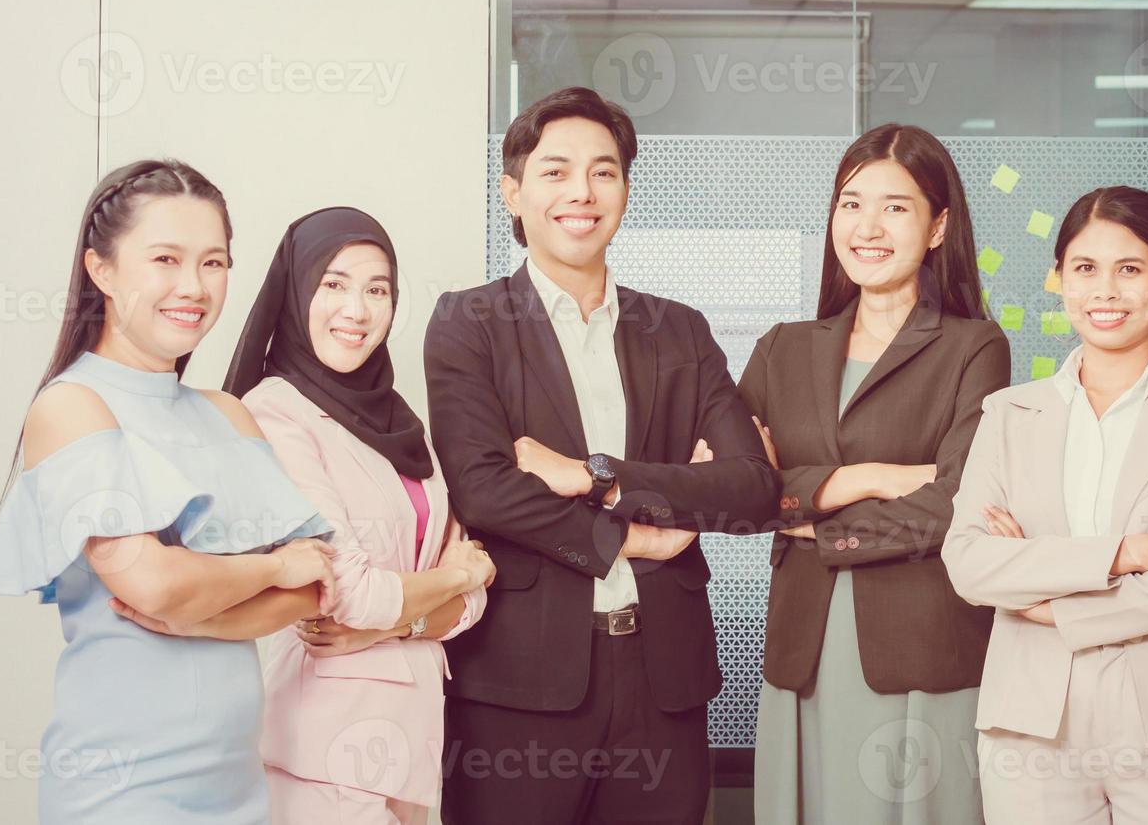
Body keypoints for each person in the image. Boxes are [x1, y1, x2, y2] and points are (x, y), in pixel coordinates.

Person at [423, 86, 782, 824]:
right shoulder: (470, 322)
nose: (581, 193)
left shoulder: (679, 331)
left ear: (625, 188)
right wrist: (638, 532)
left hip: (663, 682)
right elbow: (485, 489)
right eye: (555, 172)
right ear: (513, 192)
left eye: (604, 171)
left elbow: (750, 492)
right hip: (519, 686)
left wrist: (601, 480)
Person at [0, 159, 337, 823]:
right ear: (102, 269)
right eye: (165, 259)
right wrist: (273, 566)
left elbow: (315, 590)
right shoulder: (71, 407)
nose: (192, 287)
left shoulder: (228, 414)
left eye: (213, 263)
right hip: (120, 794)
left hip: (239, 790)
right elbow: (155, 585)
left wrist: (204, 612)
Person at [943, 185, 1148, 824]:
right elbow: (970, 563)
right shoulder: (1008, 413)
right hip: (1030, 724)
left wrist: (1050, 599)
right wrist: (1129, 553)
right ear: (1058, 278)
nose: (1105, 290)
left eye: (1130, 269)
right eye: (1085, 268)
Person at [739, 123, 1010, 823]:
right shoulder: (782, 349)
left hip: (921, 648)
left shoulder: (973, 346)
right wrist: (873, 478)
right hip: (804, 652)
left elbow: (956, 502)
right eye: (851, 203)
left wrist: (809, 515)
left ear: (938, 225)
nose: (868, 226)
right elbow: (739, 493)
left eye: (896, 206)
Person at [215, 206, 494, 824]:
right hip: (323, 752)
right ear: (296, 293)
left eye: (378, 289)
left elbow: (470, 609)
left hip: (409, 749)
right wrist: (457, 578)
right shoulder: (276, 413)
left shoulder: (398, 419)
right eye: (333, 284)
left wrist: (403, 621)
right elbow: (358, 592)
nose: (358, 310)